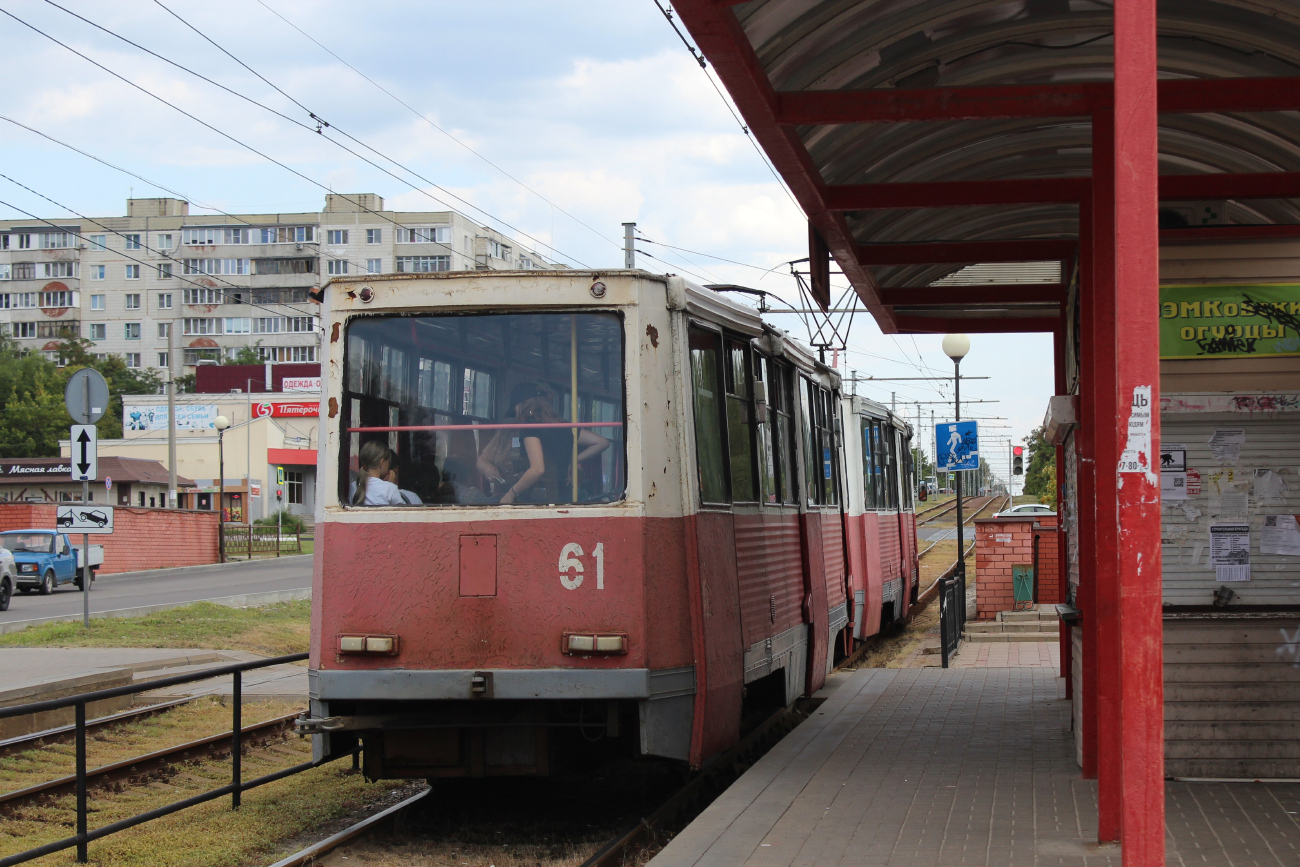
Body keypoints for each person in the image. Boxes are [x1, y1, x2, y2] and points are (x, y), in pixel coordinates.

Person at [478, 383, 611, 505]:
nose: (516, 414)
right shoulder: (565, 427)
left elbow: (537, 469)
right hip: (563, 497)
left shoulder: (531, 429)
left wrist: (511, 493)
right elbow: (602, 442)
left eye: (516, 409)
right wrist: (572, 460)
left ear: (523, 406)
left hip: (534, 499)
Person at [349, 441, 404, 506]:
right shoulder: (390, 488)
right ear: (382, 463)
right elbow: (403, 512)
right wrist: (391, 485)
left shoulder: (353, 486)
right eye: (388, 463)